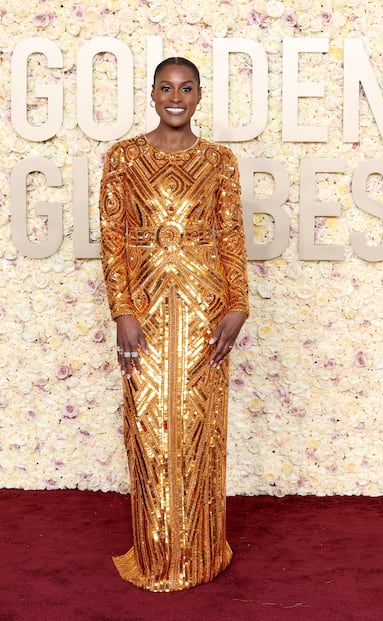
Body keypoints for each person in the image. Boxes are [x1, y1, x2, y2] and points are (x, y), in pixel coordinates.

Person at [99, 57, 249, 592]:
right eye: (166, 87)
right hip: (144, 311)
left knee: (199, 430)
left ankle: (202, 550)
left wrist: (238, 304)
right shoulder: (123, 158)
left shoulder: (221, 161)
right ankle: (157, 552)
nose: (176, 96)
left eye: (186, 87)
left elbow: (230, 236)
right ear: (153, 94)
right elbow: (112, 240)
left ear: (200, 95)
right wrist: (123, 311)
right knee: (148, 429)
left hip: (206, 307)